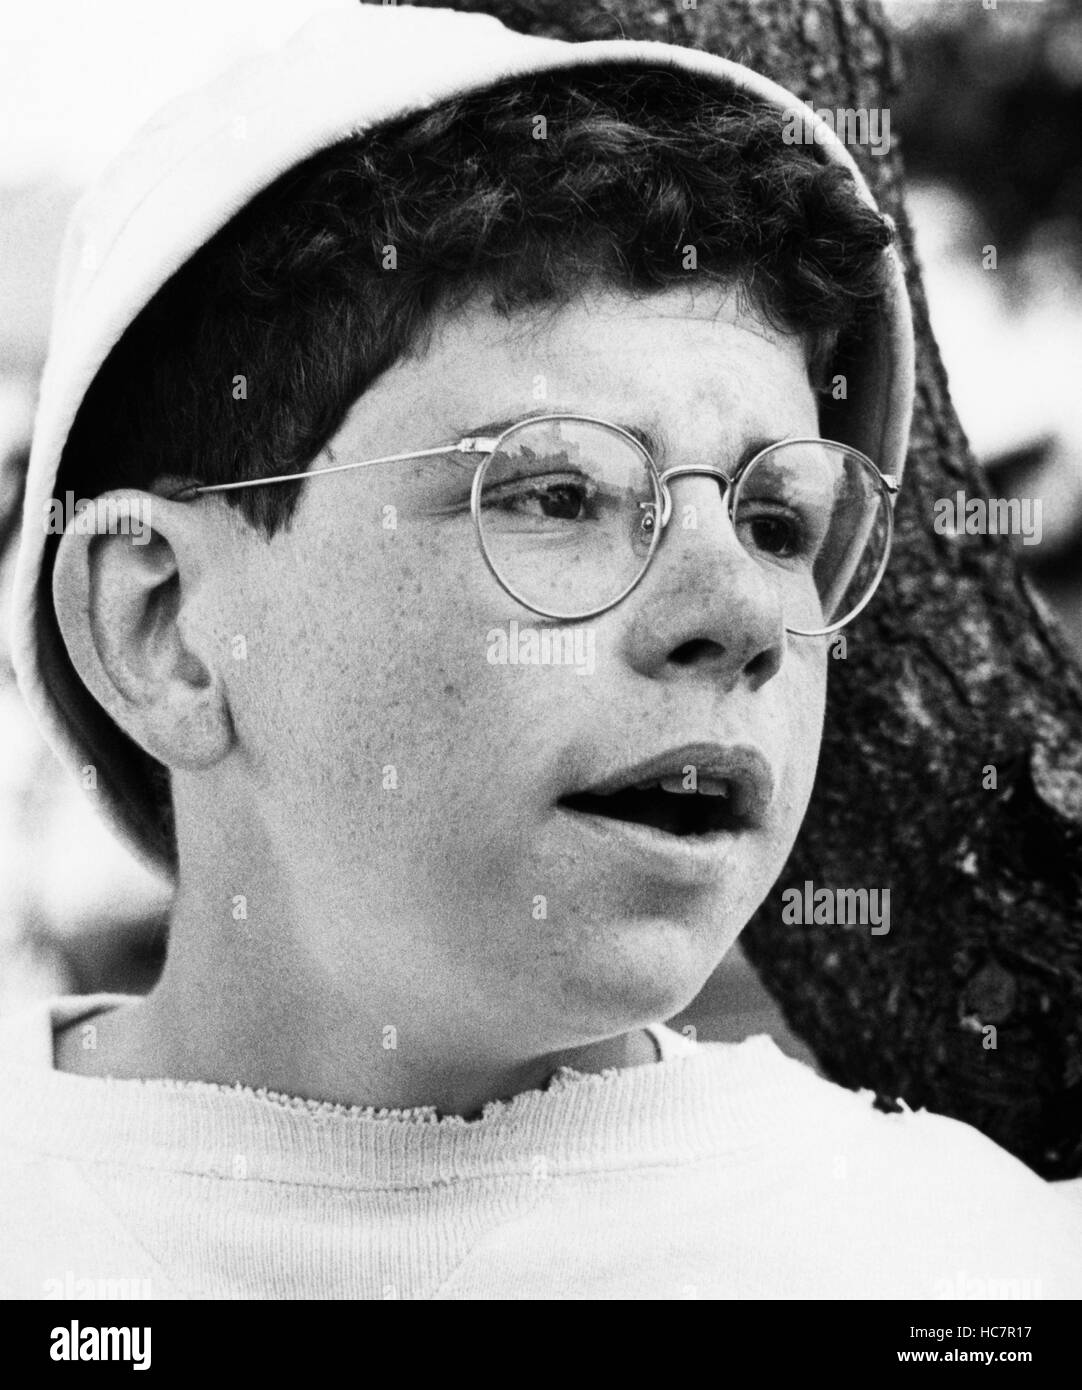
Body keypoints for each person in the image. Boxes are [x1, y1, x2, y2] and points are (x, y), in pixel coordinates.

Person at [2, 3, 1079, 1300]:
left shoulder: (965, 1271)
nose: (741, 616)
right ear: (165, 629)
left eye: (778, 522)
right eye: (556, 493)